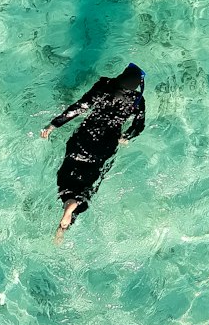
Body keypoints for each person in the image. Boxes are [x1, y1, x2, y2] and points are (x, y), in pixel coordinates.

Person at [41, 63, 146, 240]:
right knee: (88, 185)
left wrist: (54, 125)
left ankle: (69, 202)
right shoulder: (137, 100)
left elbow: (79, 107)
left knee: (67, 175)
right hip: (104, 148)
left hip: (83, 139)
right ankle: (69, 216)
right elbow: (138, 126)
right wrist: (125, 137)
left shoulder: (103, 87)